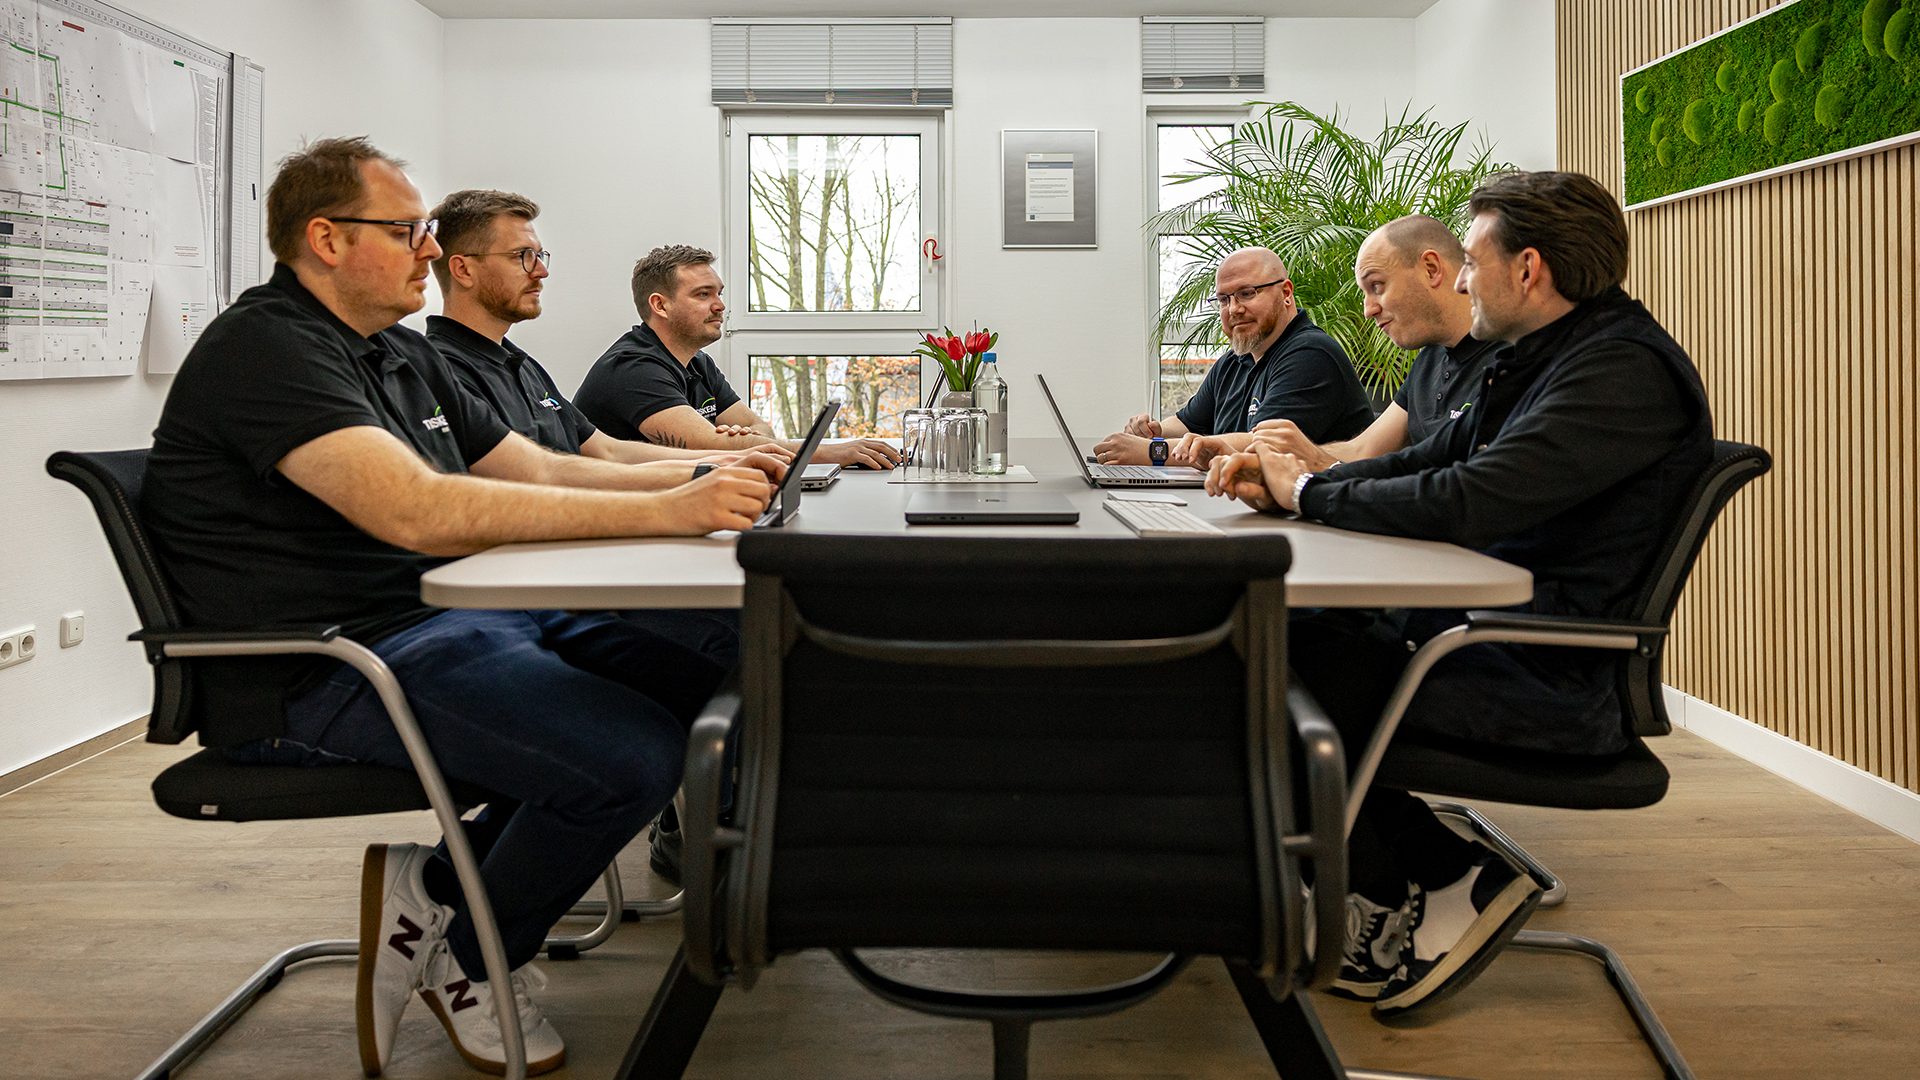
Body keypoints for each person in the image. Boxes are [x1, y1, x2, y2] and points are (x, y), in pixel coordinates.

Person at [142, 137, 783, 1077]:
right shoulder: (269, 346)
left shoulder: (400, 353)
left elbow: (542, 468)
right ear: (326, 239)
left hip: (457, 619)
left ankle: (441, 883)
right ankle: (472, 953)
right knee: (630, 759)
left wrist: (704, 482)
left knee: (717, 661)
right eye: (407, 230)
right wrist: (667, 509)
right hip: (330, 663)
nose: (431, 249)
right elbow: (415, 510)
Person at [1206, 171, 1712, 1015]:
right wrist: (1295, 486)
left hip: (1546, 674)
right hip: (1482, 633)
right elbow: (1426, 463)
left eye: (1473, 262)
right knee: (1275, 643)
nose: (1465, 280)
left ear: (1529, 268)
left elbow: (1470, 500)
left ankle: (1428, 881)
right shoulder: (1547, 356)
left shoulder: (1619, 372)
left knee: (1273, 667)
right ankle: (1416, 881)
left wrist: (1309, 493)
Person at [423, 187, 760, 668]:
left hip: (577, 562)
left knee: (748, 622)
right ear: (463, 269)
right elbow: (535, 479)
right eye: (522, 256)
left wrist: (728, 462)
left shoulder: (521, 364)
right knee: (727, 645)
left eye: (540, 256)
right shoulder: (439, 370)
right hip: (538, 586)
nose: (541, 271)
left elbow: (607, 451)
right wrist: (695, 481)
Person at [1168, 216, 1501, 471]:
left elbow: (1455, 488)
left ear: (1431, 268)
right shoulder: (1431, 358)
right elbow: (1364, 450)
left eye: (1377, 286)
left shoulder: (1509, 362)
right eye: (1224, 299)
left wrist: (1306, 486)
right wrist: (1294, 459)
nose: (1368, 310)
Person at [574, 245, 903, 468]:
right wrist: (830, 453)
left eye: (719, 293)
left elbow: (758, 427)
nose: (720, 305)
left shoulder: (697, 362)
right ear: (660, 305)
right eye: (703, 294)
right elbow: (709, 446)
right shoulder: (633, 367)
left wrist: (745, 439)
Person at [1092, 246, 1371, 466]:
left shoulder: (1311, 354)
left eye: (1246, 294)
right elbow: (1186, 423)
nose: (1233, 309)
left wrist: (1151, 452)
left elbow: (1261, 446)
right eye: (1224, 300)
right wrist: (1152, 432)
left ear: (1286, 293)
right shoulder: (1235, 361)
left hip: (1309, 513)